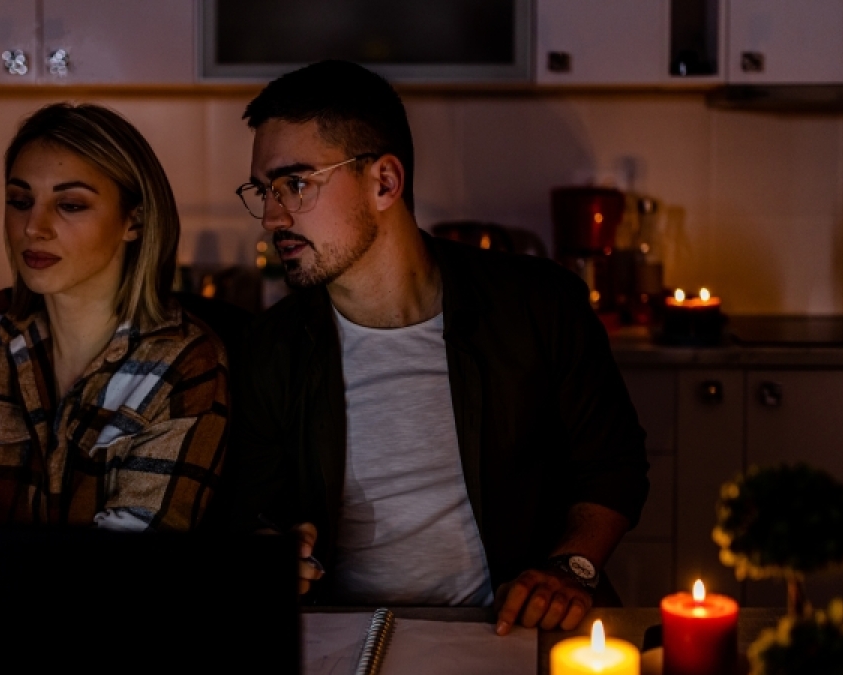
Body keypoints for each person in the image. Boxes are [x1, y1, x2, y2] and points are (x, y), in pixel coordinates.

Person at [231, 61, 649, 634]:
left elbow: (614, 467)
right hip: (346, 641)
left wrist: (568, 567)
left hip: (509, 629)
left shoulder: (535, 306)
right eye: (264, 191)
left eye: (296, 184)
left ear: (384, 182)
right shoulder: (270, 349)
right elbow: (253, 507)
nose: (272, 217)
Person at [0, 103, 228, 530]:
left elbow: (132, 571)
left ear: (135, 220)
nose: (33, 227)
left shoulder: (185, 365)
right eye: (20, 201)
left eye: (71, 205)